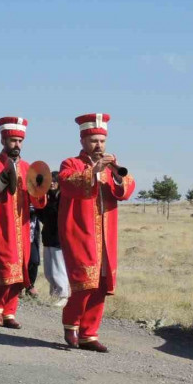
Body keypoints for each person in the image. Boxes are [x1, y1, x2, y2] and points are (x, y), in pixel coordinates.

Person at [58, 113, 135, 352]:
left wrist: (117, 178)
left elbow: (127, 188)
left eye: (102, 140)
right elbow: (67, 183)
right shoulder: (71, 163)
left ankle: (89, 334)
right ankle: (71, 323)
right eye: (93, 140)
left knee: (101, 284)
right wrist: (93, 172)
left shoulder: (112, 164)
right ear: (82, 141)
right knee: (84, 284)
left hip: (106, 235)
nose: (99, 145)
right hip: (80, 233)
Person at [0, 117, 47, 329]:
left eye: (19, 141)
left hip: (23, 228)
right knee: (4, 270)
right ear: (3, 140)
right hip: (0, 226)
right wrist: (2, 179)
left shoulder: (28, 168)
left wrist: (42, 189)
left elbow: (38, 201)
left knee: (20, 272)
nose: (16, 145)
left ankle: (10, 313)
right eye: (12, 141)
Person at [36, 171, 69, 307]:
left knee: (58, 268)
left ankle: (63, 295)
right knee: (49, 271)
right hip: (48, 237)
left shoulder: (63, 198)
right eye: (50, 181)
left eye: (55, 181)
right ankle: (54, 294)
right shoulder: (47, 197)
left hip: (59, 238)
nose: (52, 183)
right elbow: (42, 216)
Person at [24, 205, 42, 297]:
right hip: (20, 236)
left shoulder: (36, 197)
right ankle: (17, 287)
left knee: (34, 261)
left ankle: (30, 286)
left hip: (31, 236)